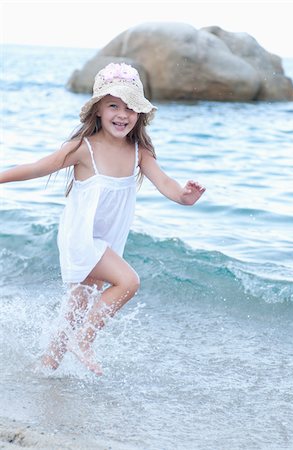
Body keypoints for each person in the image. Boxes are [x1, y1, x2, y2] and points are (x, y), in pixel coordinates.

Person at [0, 62, 206, 376]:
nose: (122, 114)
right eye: (113, 106)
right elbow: (36, 168)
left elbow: (164, 182)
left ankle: (46, 368)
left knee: (78, 304)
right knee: (128, 281)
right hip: (82, 237)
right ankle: (84, 341)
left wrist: (183, 196)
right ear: (98, 110)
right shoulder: (83, 149)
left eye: (130, 107)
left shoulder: (139, 151)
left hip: (108, 238)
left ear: (139, 114)